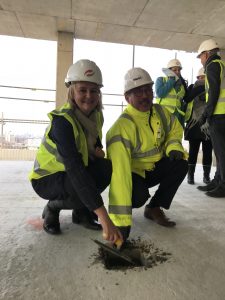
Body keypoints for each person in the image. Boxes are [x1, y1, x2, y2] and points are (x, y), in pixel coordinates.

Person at [29, 59, 123, 244]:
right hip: (47, 178)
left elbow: (94, 143)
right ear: (72, 91)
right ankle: (52, 208)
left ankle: (80, 213)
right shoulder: (62, 121)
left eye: (94, 90)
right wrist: (105, 218)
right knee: (79, 183)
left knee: (105, 168)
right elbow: (75, 168)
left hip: (70, 174)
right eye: (82, 90)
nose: (89, 96)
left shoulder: (96, 116)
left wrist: (97, 152)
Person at [106, 67, 188, 241]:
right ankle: (136, 205)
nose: (145, 96)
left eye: (147, 90)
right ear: (127, 97)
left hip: (154, 167)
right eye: (138, 92)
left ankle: (154, 208)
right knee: (138, 196)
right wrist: (121, 224)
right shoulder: (121, 129)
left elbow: (174, 130)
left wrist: (174, 147)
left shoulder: (160, 112)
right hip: (133, 175)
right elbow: (119, 177)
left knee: (180, 164)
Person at [197, 39, 225, 197]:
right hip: (222, 115)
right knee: (221, 152)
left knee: (221, 153)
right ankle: (217, 181)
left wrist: (206, 114)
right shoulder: (222, 65)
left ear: (206, 54)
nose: (201, 60)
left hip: (219, 115)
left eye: (200, 56)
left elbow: (213, 93)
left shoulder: (212, 66)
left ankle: (223, 185)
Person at [184, 67, 213, 185]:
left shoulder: (212, 87)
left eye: (203, 77)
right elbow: (187, 98)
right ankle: (190, 175)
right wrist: (201, 89)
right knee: (193, 151)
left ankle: (206, 176)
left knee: (207, 151)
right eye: (199, 78)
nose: (201, 79)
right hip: (193, 125)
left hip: (207, 124)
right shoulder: (192, 87)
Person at [155, 58, 188, 126]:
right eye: (175, 70)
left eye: (179, 70)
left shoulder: (182, 86)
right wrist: (171, 80)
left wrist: (182, 123)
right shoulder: (161, 80)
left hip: (176, 118)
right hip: (162, 116)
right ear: (168, 71)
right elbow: (160, 93)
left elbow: (181, 104)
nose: (177, 72)